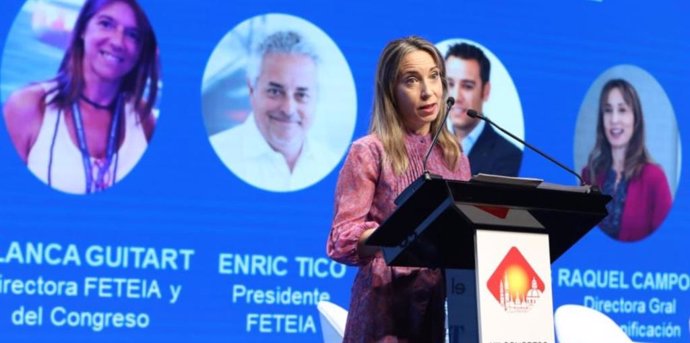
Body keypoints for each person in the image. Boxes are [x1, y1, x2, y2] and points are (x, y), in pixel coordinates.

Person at [327, 36, 471, 342]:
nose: (428, 91)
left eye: (434, 76)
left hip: (440, 306)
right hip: (384, 311)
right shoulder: (369, 152)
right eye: (412, 80)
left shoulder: (456, 159)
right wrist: (396, 235)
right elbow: (341, 240)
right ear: (391, 91)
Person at [3, 0, 159, 195]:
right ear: (83, 30)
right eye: (106, 24)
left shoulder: (144, 121)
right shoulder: (28, 107)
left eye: (133, 35)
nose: (118, 42)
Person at [209, 30, 339, 192]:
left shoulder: (336, 166)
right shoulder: (217, 155)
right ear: (251, 90)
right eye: (275, 91)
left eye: (301, 94)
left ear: (316, 98)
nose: (288, 108)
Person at [582, 79, 672, 242]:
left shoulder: (655, 178)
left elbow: (666, 242)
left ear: (635, 119)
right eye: (608, 111)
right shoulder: (588, 175)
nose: (614, 119)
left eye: (622, 110)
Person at [444, 42, 522, 176]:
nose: (456, 96)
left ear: (485, 91)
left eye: (467, 86)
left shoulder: (508, 155)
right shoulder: (428, 146)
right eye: (450, 84)